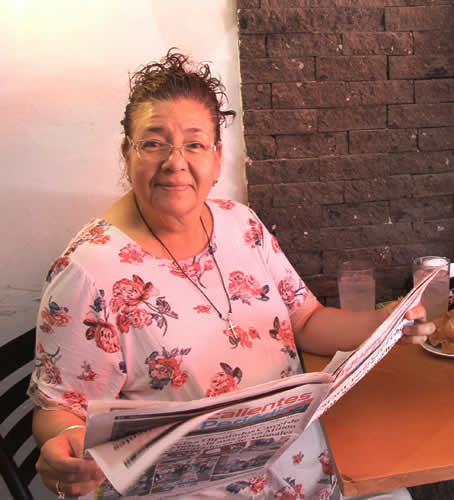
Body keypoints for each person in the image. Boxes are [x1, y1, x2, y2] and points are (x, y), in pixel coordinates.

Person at [29, 50, 433, 500]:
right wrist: (62, 440)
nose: (175, 162)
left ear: (217, 158)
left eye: (195, 144)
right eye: (154, 142)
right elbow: (60, 409)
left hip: (306, 468)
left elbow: (307, 321)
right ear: (127, 154)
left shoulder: (241, 223)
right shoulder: (88, 273)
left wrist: (390, 320)